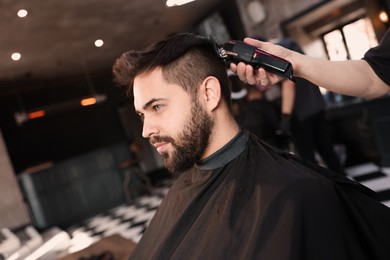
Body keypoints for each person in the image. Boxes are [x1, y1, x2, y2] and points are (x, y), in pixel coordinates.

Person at [112, 32, 390, 259]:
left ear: (209, 94)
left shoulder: (299, 197)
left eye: (157, 107)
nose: (146, 131)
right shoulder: (180, 195)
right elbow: (376, 73)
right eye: (141, 114)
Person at [231, 29, 390, 99]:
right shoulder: (287, 50)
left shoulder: (289, 44)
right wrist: (292, 61)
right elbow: (374, 78)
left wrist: (285, 117)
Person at [274, 38, 345, 174]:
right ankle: (345, 184)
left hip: (301, 114)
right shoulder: (293, 46)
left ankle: (322, 190)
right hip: (316, 106)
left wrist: (285, 117)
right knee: (327, 149)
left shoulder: (278, 52)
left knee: (308, 158)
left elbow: (288, 84)